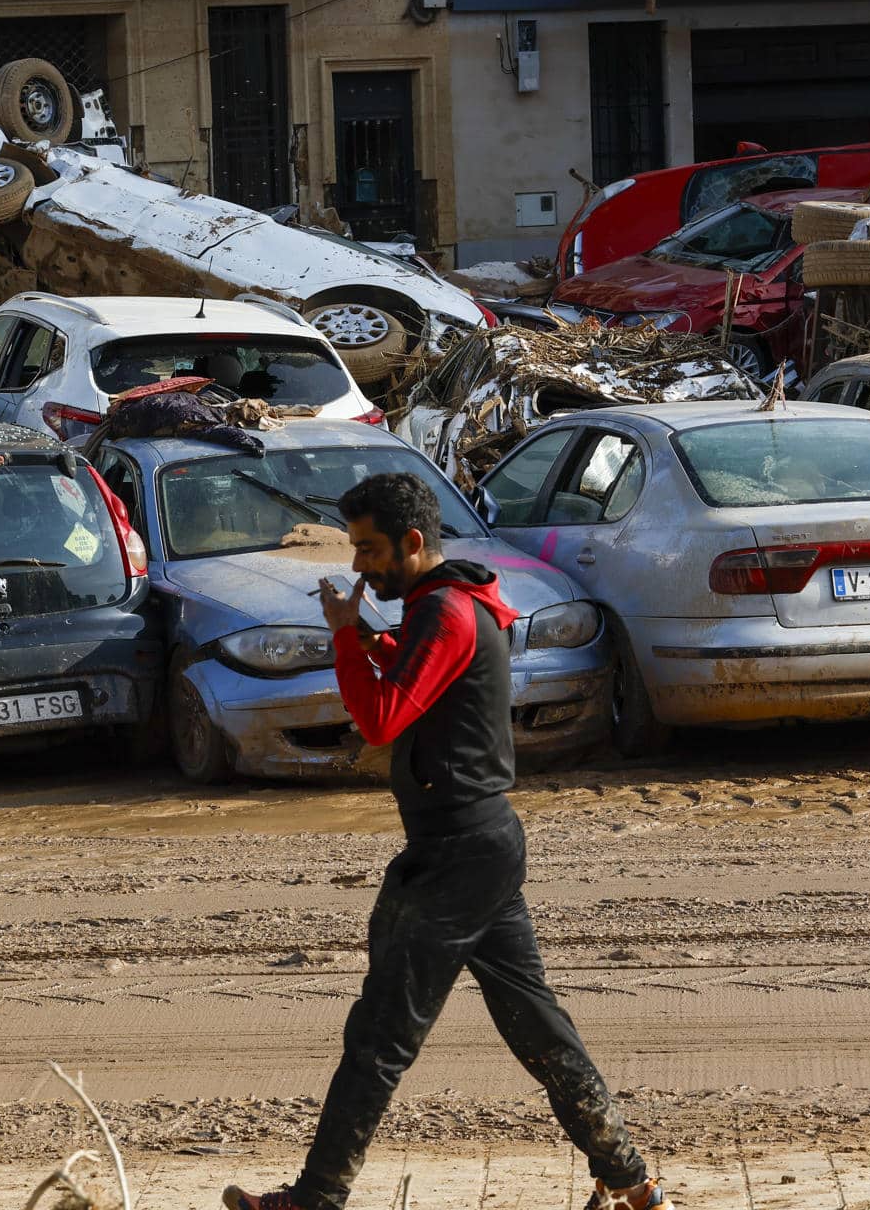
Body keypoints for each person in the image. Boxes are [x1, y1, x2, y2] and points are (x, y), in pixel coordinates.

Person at [221, 473, 671, 1210]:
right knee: (537, 1026)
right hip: (474, 845)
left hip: (460, 854)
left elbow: (382, 718)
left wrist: (344, 636)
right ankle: (630, 1183)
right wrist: (365, 633)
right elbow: (410, 665)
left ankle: (316, 1197)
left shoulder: (448, 613)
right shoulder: (443, 606)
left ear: (413, 543)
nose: (360, 566)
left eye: (369, 551)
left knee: (379, 1038)